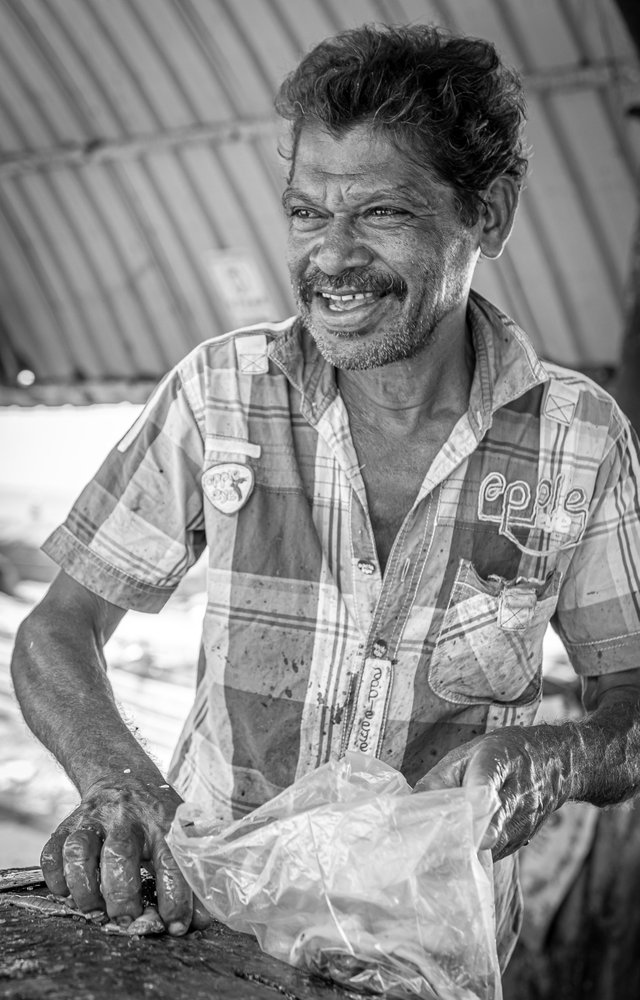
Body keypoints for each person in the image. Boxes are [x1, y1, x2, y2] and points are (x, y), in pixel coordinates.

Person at [11, 22, 640, 969]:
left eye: (380, 214)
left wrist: (562, 760)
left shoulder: (578, 440)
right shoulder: (222, 392)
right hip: (203, 926)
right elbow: (55, 633)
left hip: (423, 956)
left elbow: (631, 696)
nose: (331, 259)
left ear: (492, 216)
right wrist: (119, 783)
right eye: (307, 214)